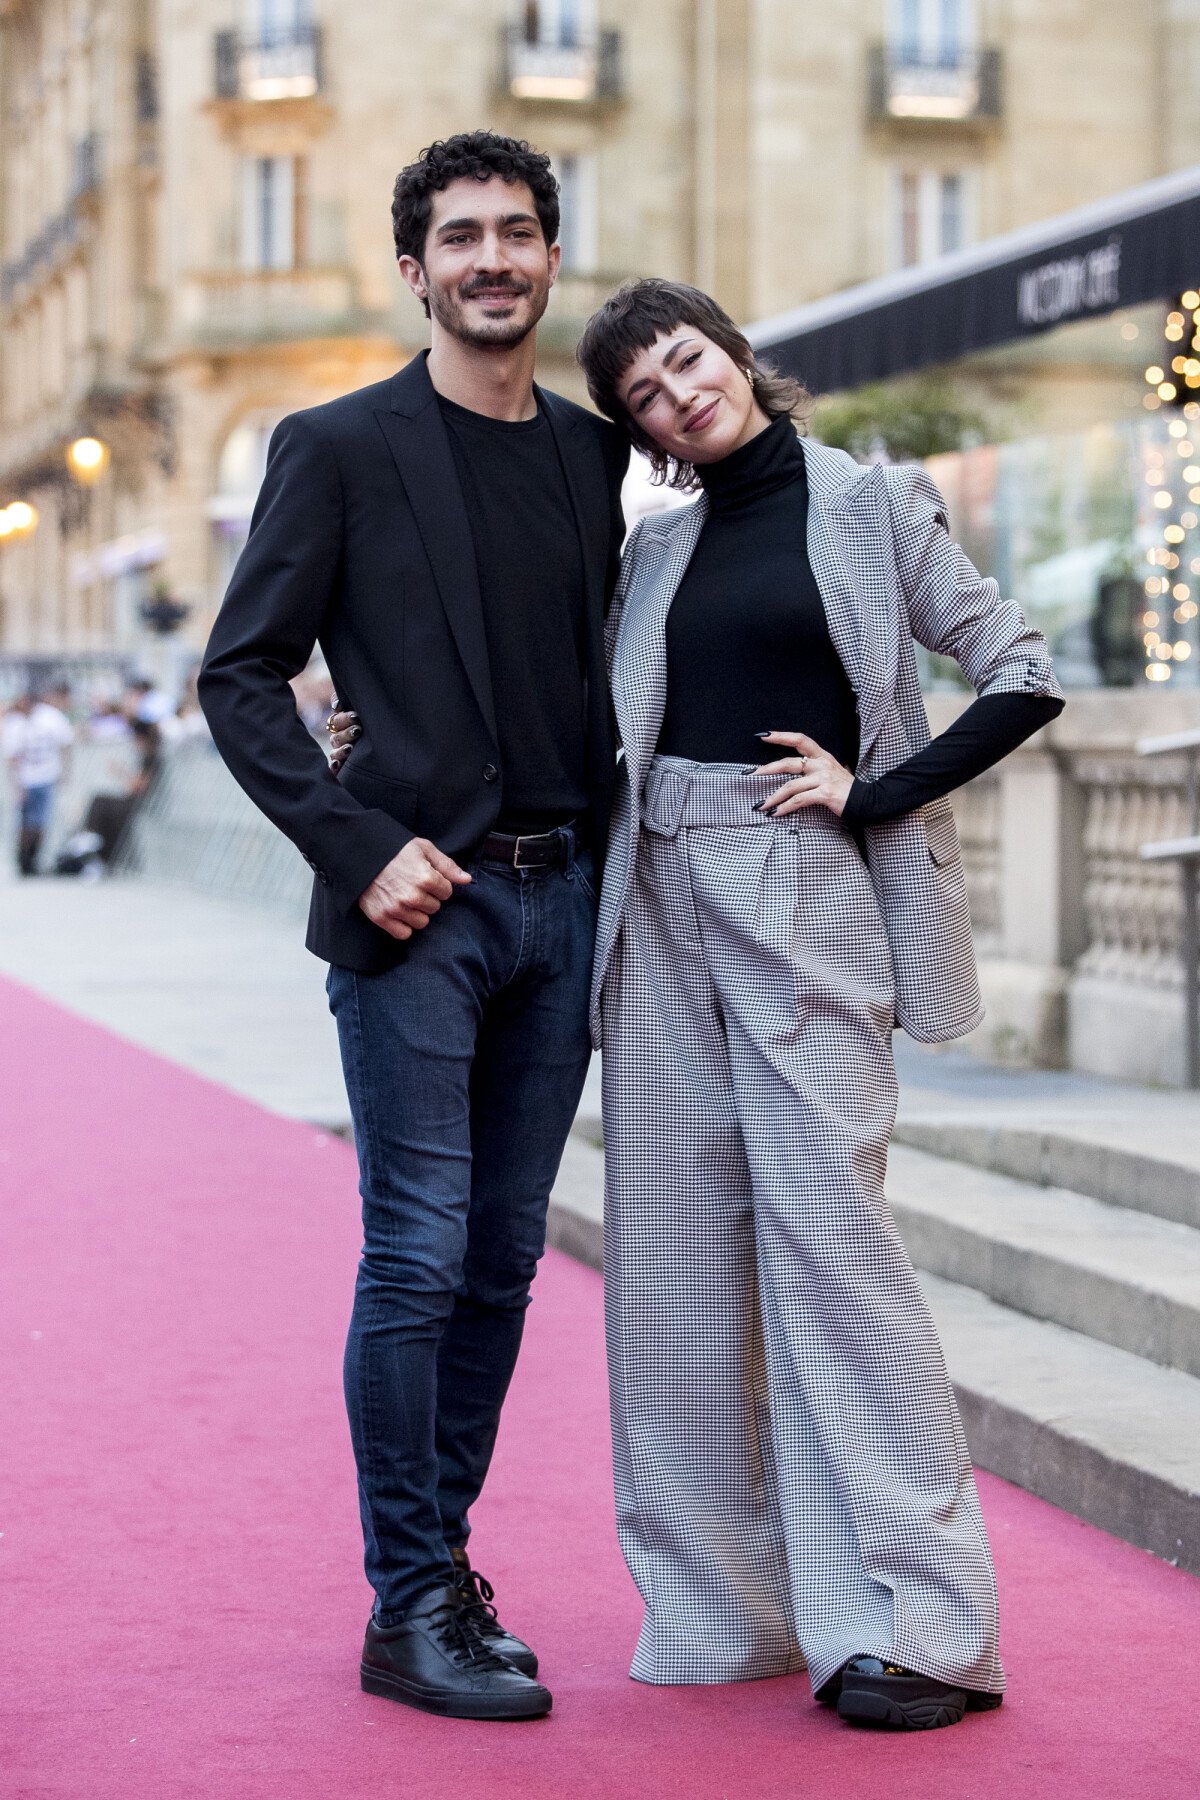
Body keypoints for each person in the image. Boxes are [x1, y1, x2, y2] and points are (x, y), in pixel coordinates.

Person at [567, 280, 1064, 1730]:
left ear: (732, 352)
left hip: (800, 882)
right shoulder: (652, 550)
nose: (677, 396)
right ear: (643, 435)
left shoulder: (868, 502)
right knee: (667, 1248)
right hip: (655, 889)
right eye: (645, 398)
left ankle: (923, 1622)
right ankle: (730, 1611)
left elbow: (1018, 672)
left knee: (829, 1240)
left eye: (684, 362)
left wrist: (874, 792)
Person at [199, 131, 627, 1722]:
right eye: (462, 237)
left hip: (562, 901)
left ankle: (438, 1565)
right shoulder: (339, 446)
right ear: (415, 270)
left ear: (550, 258)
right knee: (420, 1255)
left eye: (519, 232)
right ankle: (412, 1599)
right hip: (420, 914)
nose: (493, 259)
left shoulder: (594, 460)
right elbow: (240, 674)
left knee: (508, 1261)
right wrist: (358, 842)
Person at [2, 684, 74, 876]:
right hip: (26, 780)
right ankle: (23, 859)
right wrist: (16, 785)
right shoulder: (15, 722)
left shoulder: (51, 717)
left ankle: (34, 858)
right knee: (24, 823)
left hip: (46, 777)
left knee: (40, 822)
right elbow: (12, 757)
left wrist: (64, 772)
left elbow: (66, 743)